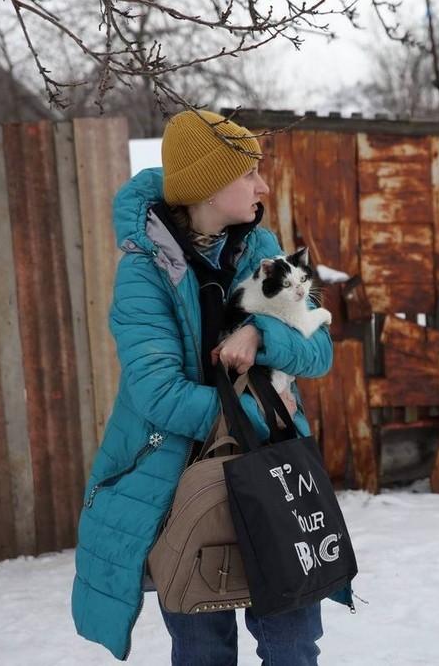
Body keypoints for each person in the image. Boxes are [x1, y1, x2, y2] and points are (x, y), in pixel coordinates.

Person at [70, 109, 354, 664]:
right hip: (180, 477)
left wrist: (259, 331)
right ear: (208, 184)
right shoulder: (144, 272)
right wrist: (260, 416)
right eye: (249, 173)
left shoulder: (264, 249)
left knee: (294, 644)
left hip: (273, 478)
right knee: (204, 649)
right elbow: (159, 395)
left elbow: (318, 352)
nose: (262, 185)